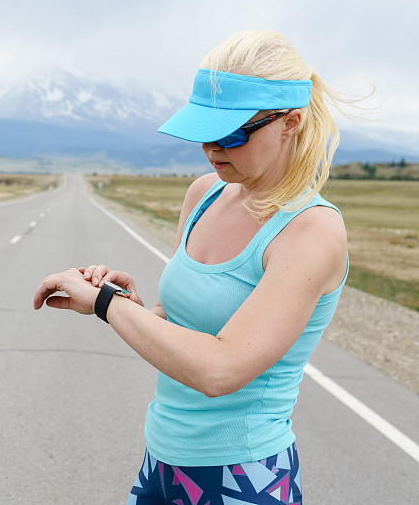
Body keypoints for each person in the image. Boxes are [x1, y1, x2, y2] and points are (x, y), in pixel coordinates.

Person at [32, 30, 358, 505]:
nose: (211, 147)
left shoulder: (310, 231)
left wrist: (106, 305)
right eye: (202, 129)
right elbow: (178, 325)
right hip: (162, 460)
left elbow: (219, 370)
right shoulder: (204, 194)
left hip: (245, 476)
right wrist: (133, 306)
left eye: (231, 133)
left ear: (290, 122)